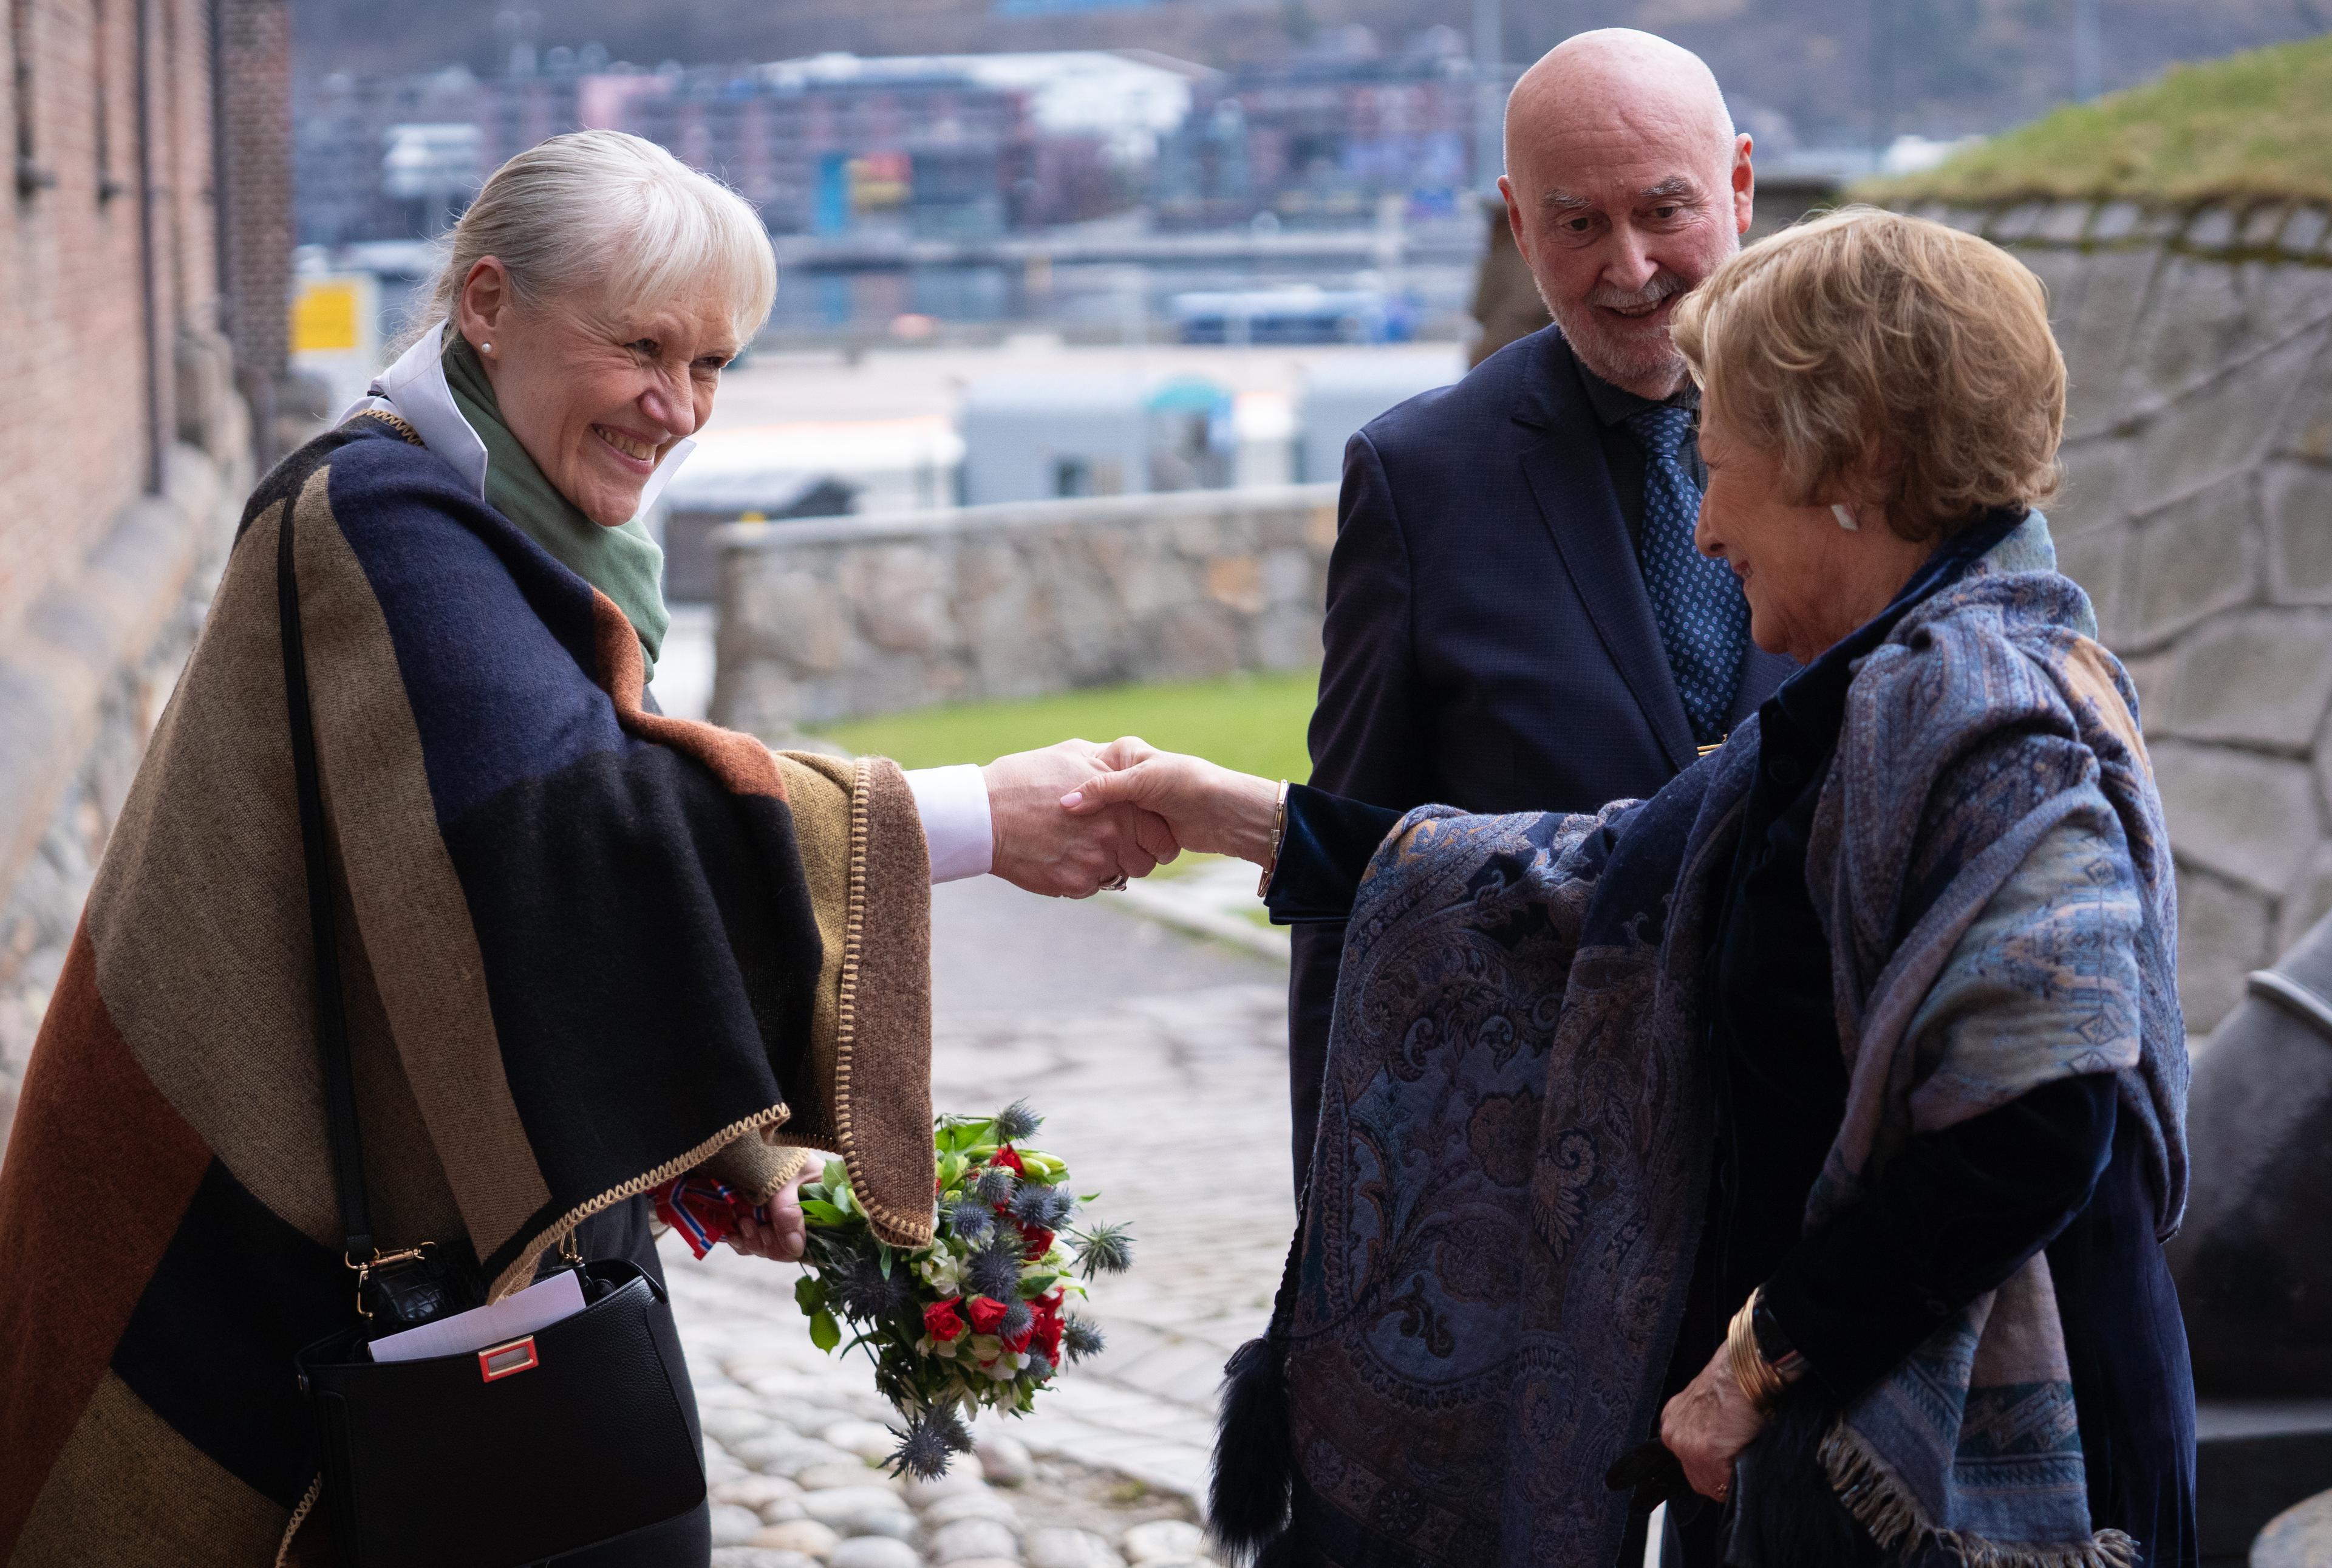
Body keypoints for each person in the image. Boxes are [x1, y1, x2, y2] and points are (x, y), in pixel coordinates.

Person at [0, 131, 1168, 1568]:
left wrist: (708, 1166)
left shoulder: (511, 525)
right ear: (486, 305)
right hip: (247, 1271)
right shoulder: (374, 522)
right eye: (642, 346)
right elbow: (565, 840)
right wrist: (977, 815)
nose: (676, 406)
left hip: (433, 1297)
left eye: (716, 364)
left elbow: (475, 929)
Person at [1067, 210, 2197, 1566]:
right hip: (1859, 1445)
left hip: (1998, 1484)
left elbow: (2038, 1121)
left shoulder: (1991, 718)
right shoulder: (1891, 690)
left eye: (1724, 469)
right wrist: (1240, 818)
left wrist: (1758, 1362)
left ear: (1856, 465)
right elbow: (1601, 872)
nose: (1707, 526)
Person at [1289, 28, 1796, 1191]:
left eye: (1667, 212)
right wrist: (1335, 1228)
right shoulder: (1421, 478)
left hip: (1814, 1178)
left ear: (1741, 186)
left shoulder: (1864, 439)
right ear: (1519, 227)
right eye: (1577, 225)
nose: (1630, 270)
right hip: (1528, 1185)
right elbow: (1347, 887)